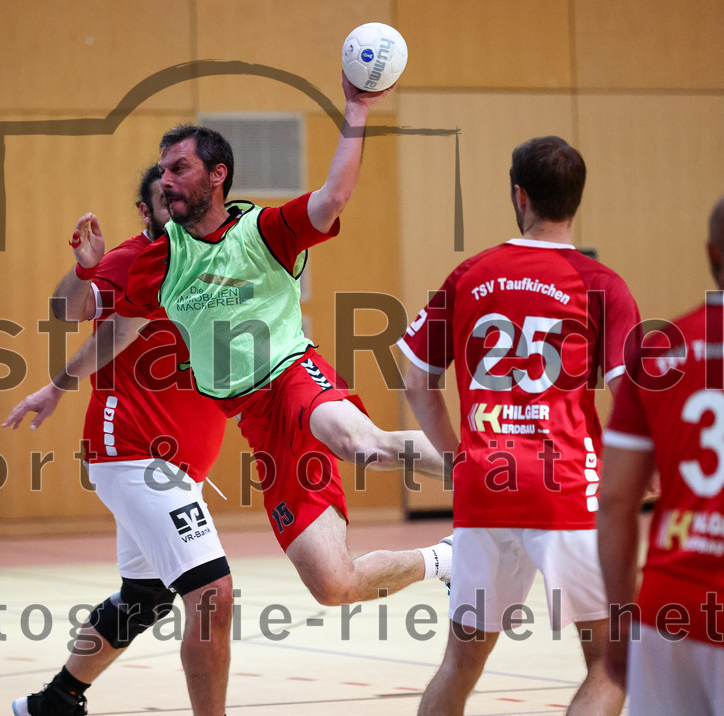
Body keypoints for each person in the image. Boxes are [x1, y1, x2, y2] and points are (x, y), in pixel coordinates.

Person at [64, 74, 452, 610]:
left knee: (364, 445)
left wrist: (357, 108)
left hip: (294, 378)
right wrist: (60, 369)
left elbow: (335, 194)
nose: (167, 180)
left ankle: (504, 473)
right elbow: (102, 327)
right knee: (334, 586)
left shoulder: (266, 231)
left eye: (180, 169)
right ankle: (451, 558)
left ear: (217, 175)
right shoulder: (158, 261)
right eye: (163, 173)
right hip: (257, 419)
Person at [400, 136, 639, 715]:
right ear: (576, 200)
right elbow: (635, 396)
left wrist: (459, 458)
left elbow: (415, 381)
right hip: (565, 489)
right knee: (612, 664)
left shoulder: (469, 275)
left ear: (519, 195)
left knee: (460, 663)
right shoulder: (600, 284)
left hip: (487, 488)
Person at [4, 166, 232, 716]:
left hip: (176, 463)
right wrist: (86, 270)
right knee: (211, 596)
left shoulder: (212, 259)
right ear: (147, 210)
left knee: (144, 599)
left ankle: (56, 701)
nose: (175, 202)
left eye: (183, 193)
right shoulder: (131, 260)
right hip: (136, 452)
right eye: (164, 197)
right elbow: (65, 310)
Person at [597, 195, 724, 715]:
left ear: (712, 254)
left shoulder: (661, 352)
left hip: (667, 606)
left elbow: (615, 501)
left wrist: (619, 618)